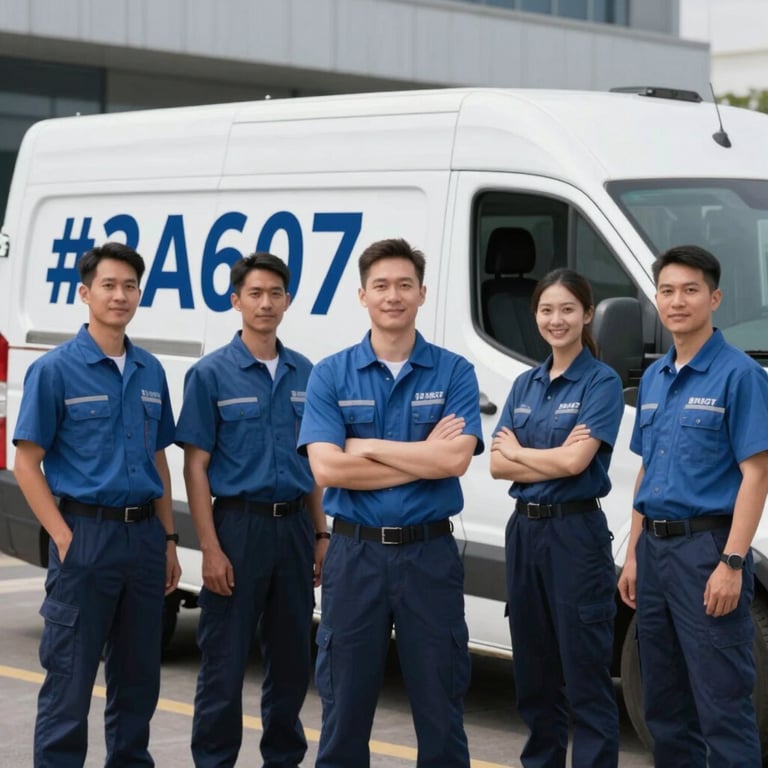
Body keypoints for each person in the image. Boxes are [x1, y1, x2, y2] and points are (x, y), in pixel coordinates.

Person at [297, 237, 483, 768]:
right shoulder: (331, 374)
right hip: (355, 558)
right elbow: (328, 468)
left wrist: (370, 447)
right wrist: (424, 453)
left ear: (422, 293)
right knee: (345, 710)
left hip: (430, 557)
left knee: (440, 709)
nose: (393, 296)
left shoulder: (453, 372)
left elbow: (454, 462)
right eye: (381, 286)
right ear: (362, 296)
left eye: (405, 285)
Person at [13, 242, 180, 767]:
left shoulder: (151, 370)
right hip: (86, 537)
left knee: (137, 685)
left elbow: (159, 460)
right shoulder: (56, 370)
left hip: (144, 543)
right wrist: (65, 539)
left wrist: (169, 539)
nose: (120, 295)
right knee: (70, 682)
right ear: (85, 293)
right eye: (108, 285)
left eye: (130, 286)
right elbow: (25, 463)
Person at [618, 245, 768, 768]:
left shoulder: (740, 375)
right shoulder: (657, 378)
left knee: (722, 704)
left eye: (690, 290)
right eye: (667, 290)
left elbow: (757, 474)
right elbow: (646, 471)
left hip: (706, 552)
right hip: (655, 556)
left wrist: (731, 562)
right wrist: (633, 553)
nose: (677, 301)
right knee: (663, 704)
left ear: (714, 298)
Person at [175, 252, 326, 768]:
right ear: (235, 301)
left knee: (290, 662)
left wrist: (322, 534)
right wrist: (209, 549)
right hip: (237, 528)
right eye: (255, 294)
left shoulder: (308, 373)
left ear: (288, 301)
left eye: (275, 294)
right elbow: (196, 468)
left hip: (295, 531)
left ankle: (282, 760)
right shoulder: (210, 375)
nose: (266, 303)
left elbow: (315, 463)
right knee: (224, 662)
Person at [490, 268, 623, 768]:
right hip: (524, 531)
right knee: (534, 676)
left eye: (568, 309)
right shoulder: (525, 383)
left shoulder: (601, 382)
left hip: (574, 534)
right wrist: (536, 457)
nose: (556, 319)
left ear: (587, 314)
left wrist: (523, 452)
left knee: (586, 677)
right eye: (546, 309)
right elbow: (496, 462)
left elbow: (576, 463)